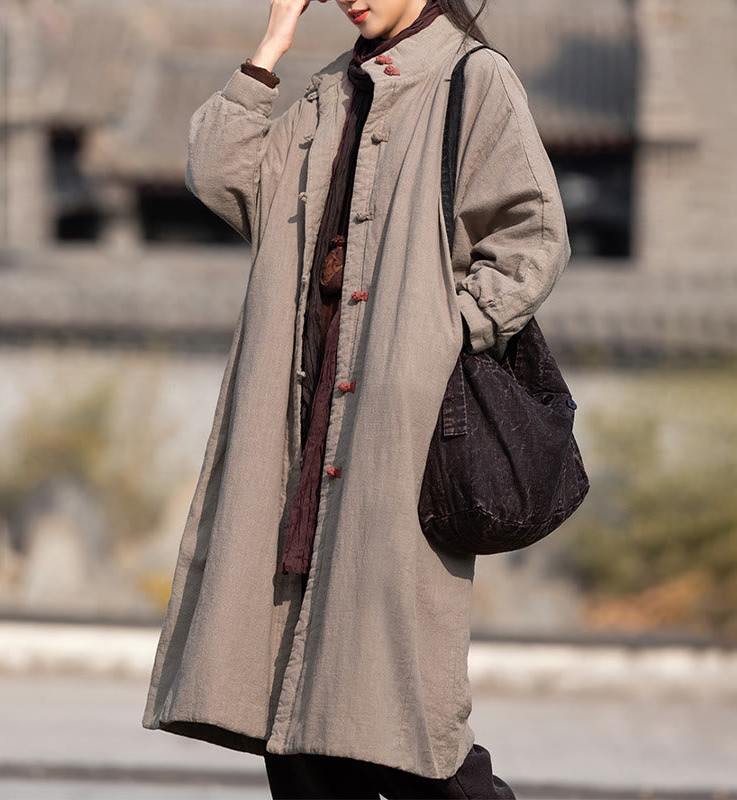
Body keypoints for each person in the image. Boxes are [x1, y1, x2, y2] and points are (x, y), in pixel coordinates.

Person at [142, 0, 571, 797]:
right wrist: (273, 44)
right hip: (297, 420)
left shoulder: (473, 79)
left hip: (395, 431)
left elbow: (533, 238)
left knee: (398, 712)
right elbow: (225, 178)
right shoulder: (327, 92)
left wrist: (439, 334)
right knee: (289, 706)